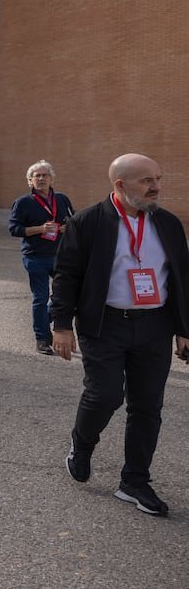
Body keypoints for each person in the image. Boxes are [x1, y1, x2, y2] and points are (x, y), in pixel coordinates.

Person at [53, 153, 189, 517]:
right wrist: (62, 325)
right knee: (105, 394)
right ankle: (81, 446)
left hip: (154, 325)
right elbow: (66, 275)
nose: (156, 186)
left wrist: (183, 330)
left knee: (147, 406)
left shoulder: (168, 225)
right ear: (120, 185)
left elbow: (181, 279)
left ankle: (134, 482)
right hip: (105, 324)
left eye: (157, 178)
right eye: (147, 180)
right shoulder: (88, 222)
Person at [7, 161, 75, 354]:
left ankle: (48, 319)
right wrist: (40, 229)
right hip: (35, 256)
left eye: (45, 175)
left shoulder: (62, 200)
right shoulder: (23, 203)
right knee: (40, 297)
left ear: (52, 179)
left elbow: (73, 221)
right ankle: (42, 338)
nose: (41, 178)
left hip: (61, 255)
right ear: (30, 181)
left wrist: (66, 228)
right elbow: (14, 229)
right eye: (37, 176)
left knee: (67, 293)